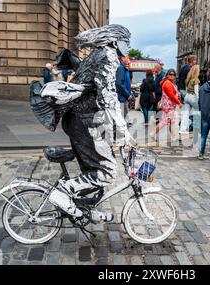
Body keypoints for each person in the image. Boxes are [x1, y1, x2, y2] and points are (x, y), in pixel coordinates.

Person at [32, 24, 135, 223]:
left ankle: (86, 210)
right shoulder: (108, 55)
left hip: (78, 119)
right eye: (126, 42)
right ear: (115, 41)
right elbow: (108, 96)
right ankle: (62, 192)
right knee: (106, 171)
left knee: (91, 172)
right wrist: (123, 131)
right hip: (84, 120)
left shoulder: (98, 54)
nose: (128, 48)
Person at [149, 69, 183, 141]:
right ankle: (153, 133)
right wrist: (179, 103)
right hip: (169, 106)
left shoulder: (169, 82)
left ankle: (173, 136)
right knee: (167, 121)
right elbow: (171, 95)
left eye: (173, 74)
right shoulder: (167, 83)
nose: (172, 76)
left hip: (169, 105)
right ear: (167, 75)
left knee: (170, 121)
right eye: (170, 74)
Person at [179, 64, 200, 134]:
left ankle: (182, 129)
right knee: (198, 112)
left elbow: (187, 89)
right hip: (193, 97)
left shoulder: (188, 79)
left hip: (187, 96)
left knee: (185, 114)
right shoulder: (196, 80)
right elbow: (196, 92)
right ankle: (197, 128)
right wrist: (198, 101)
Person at [116, 54, 131, 119]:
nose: (129, 59)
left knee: (124, 119)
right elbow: (119, 84)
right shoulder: (121, 68)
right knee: (122, 120)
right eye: (127, 57)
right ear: (122, 58)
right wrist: (127, 95)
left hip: (124, 98)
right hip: (122, 99)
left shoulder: (124, 69)